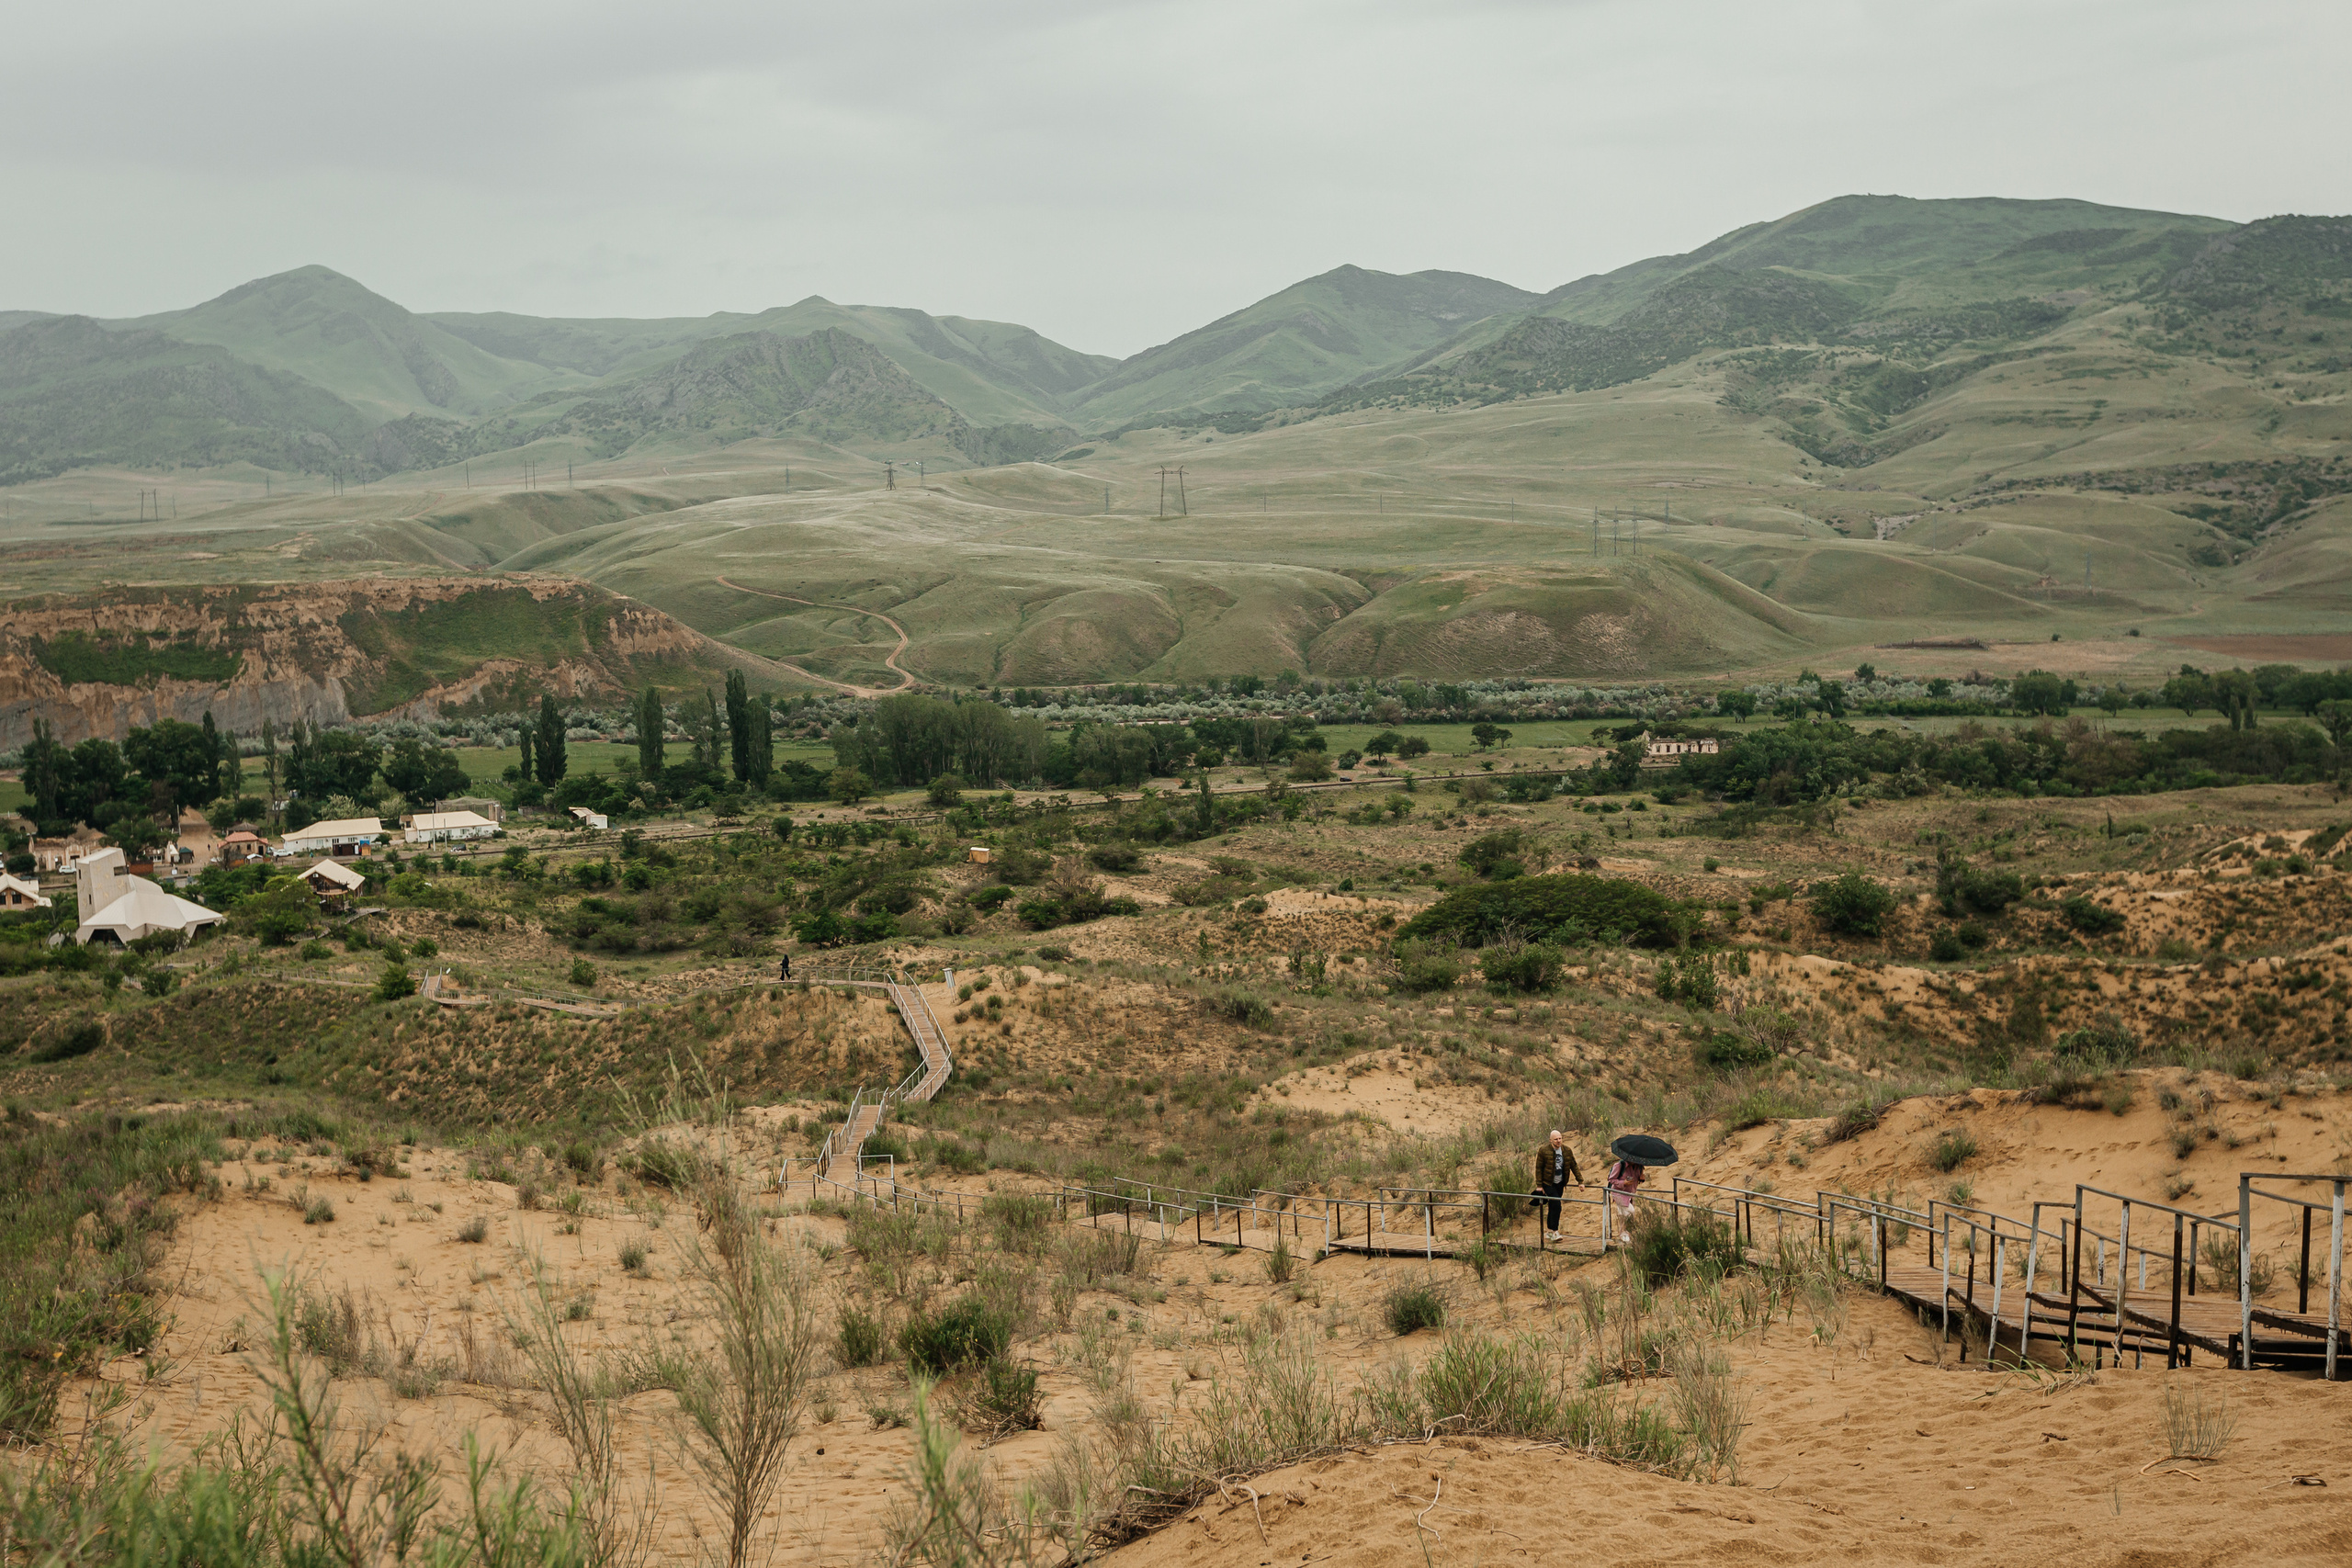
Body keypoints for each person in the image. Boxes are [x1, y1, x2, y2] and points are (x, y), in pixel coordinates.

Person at [1531, 1129, 1583, 1242]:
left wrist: (1580, 1181)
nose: (1558, 1141)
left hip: (1560, 1182)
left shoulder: (1567, 1151)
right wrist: (1539, 1185)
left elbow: (1573, 1166)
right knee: (1557, 1205)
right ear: (1550, 1140)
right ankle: (1555, 1231)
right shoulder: (1544, 1151)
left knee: (1553, 1206)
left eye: (1560, 1138)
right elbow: (1538, 1168)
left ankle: (1549, 1230)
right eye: (1556, 1139)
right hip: (1548, 1183)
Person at [1605, 1157, 1645, 1244]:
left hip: (1631, 1194)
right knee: (1630, 1212)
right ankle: (1624, 1235)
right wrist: (1623, 1183)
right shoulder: (1620, 1165)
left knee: (1623, 1215)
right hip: (1618, 1193)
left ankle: (1624, 1235)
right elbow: (1611, 1179)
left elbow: (1638, 1179)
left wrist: (1641, 1178)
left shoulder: (1639, 1167)